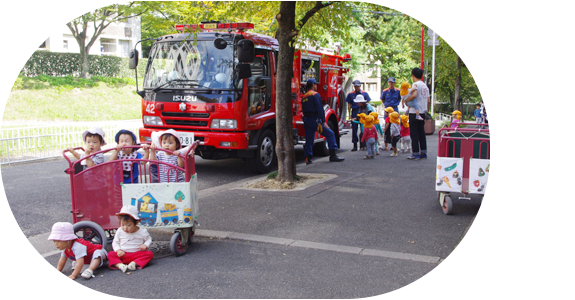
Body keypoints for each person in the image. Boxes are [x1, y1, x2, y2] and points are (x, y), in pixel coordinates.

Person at [302, 78, 344, 164]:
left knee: (309, 139)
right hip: (315, 120)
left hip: (307, 120)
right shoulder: (315, 94)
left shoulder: (304, 96)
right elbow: (320, 109)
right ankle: (333, 155)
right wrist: (324, 122)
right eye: (316, 84)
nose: (317, 86)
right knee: (330, 133)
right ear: (313, 85)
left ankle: (308, 159)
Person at [108, 205, 154, 273]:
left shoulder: (142, 232)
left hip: (136, 254)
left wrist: (145, 245)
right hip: (123, 254)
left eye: (129, 225)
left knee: (149, 254)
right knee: (110, 254)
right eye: (122, 224)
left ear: (136, 222)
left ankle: (134, 264)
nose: (125, 228)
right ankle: (120, 265)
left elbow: (148, 239)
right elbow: (115, 242)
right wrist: (118, 250)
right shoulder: (120, 231)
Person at [403, 68, 430, 160]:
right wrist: (427, 110)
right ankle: (423, 152)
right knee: (421, 132)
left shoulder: (415, 84)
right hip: (422, 112)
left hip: (414, 112)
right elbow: (428, 100)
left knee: (414, 133)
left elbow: (414, 95)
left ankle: (415, 153)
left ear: (413, 75)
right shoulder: (425, 86)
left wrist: (406, 100)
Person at [345, 79, 371, 151]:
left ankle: (363, 144)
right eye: (355, 86)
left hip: (362, 111)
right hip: (354, 111)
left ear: (360, 86)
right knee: (354, 129)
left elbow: (367, 103)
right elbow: (349, 104)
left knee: (364, 128)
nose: (356, 87)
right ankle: (355, 145)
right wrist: (349, 113)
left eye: (357, 86)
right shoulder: (351, 94)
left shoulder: (364, 93)